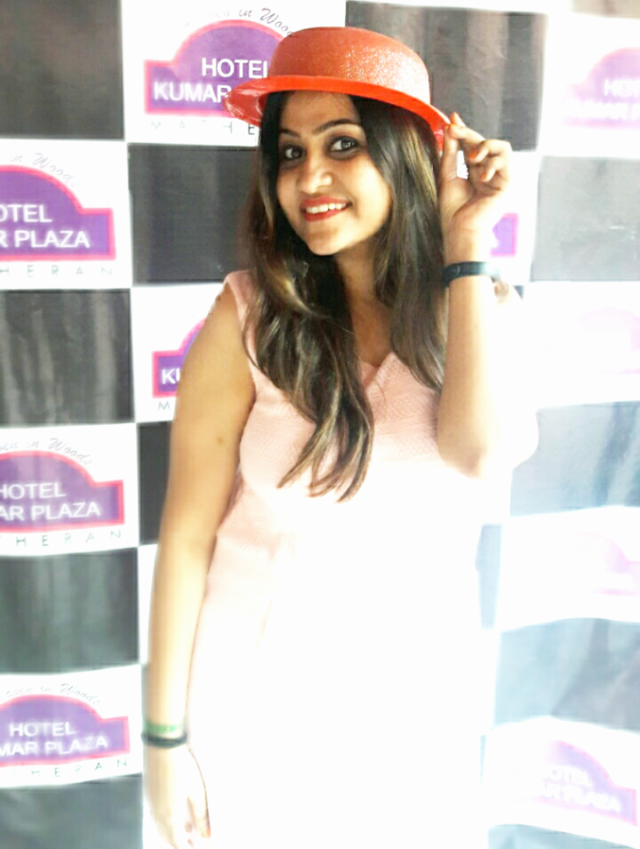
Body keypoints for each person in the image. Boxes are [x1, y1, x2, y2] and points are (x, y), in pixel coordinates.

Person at [143, 25, 538, 849]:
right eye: (290, 152)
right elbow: (185, 537)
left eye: (343, 144)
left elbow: (481, 454)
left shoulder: (483, 308)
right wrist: (164, 739)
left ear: (408, 155)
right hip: (253, 700)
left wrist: (467, 250)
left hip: (410, 713)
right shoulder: (247, 317)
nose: (309, 178)